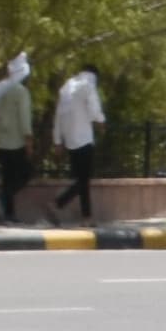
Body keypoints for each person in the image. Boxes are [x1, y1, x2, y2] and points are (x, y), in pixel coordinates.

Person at [49, 64, 105, 224]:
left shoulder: (67, 87)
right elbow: (94, 107)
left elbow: (58, 116)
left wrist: (58, 140)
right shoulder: (88, 84)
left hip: (70, 140)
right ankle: (60, 204)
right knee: (84, 180)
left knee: (82, 180)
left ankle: (83, 215)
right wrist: (101, 121)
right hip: (84, 139)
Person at [0, 53, 35, 223]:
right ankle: (2, 198)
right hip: (17, 142)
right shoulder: (21, 92)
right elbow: (24, 118)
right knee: (26, 174)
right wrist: (28, 140)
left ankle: (9, 214)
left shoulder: (0, 91)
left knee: (8, 178)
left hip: (2, 141)